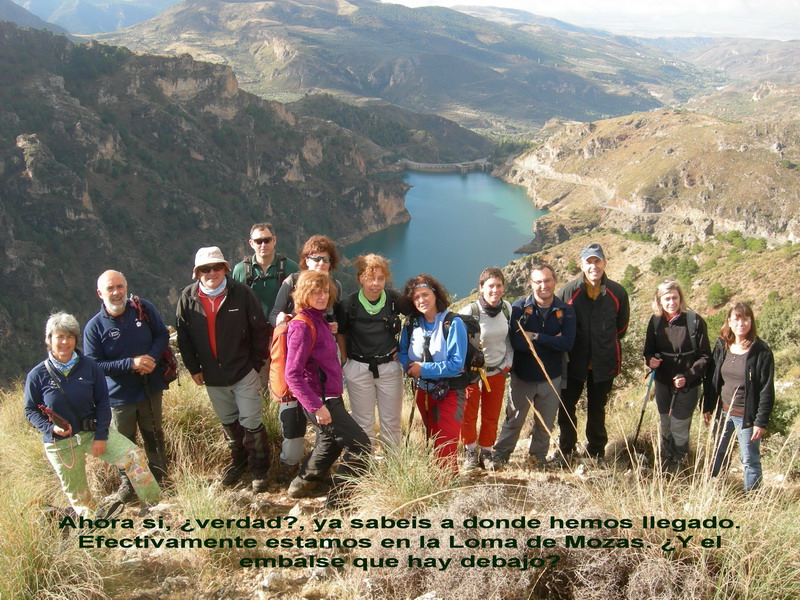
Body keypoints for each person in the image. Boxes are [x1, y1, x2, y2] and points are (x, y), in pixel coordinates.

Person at [24, 312, 161, 517]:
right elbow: (30, 409)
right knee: (79, 493)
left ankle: (154, 506)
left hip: (91, 432)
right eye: (59, 337)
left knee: (133, 456)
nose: (65, 342)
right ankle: (95, 524)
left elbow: (103, 402)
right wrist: (50, 428)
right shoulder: (37, 375)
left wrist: (100, 436)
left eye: (70, 337)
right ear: (49, 340)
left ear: (76, 339)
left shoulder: (90, 367)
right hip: (60, 442)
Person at [175, 246, 271, 492]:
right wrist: (194, 368)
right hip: (212, 375)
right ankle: (238, 463)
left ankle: (259, 470)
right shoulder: (188, 297)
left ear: (225, 268)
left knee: (251, 421)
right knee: (228, 422)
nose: (212, 273)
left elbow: (260, 330)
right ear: (197, 272)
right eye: (205, 269)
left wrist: (255, 364)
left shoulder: (241, 293)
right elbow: (184, 337)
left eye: (217, 267)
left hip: (243, 371)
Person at [284, 270, 371, 507]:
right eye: (315, 292)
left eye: (325, 291)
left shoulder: (319, 320)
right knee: (360, 446)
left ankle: (302, 485)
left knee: (329, 444)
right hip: (320, 400)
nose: (322, 296)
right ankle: (338, 501)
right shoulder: (301, 326)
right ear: (304, 294)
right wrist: (317, 407)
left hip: (330, 396)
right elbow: (292, 375)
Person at [84, 270, 171, 503]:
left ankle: (161, 477)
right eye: (110, 288)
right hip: (119, 397)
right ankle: (129, 484)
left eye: (120, 287)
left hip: (150, 388)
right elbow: (94, 365)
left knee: (154, 435)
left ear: (126, 287)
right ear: (100, 294)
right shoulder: (94, 327)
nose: (116, 292)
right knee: (124, 442)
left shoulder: (144, 309)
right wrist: (131, 364)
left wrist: (151, 359)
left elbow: (162, 335)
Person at [269, 235, 344, 484]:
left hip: (321, 366)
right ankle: (289, 465)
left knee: (326, 421)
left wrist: (334, 326)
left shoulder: (334, 285)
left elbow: (336, 318)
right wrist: (283, 322)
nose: (321, 263)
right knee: (292, 416)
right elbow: (274, 313)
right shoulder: (292, 281)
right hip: (295, 359)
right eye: (316, 258)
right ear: (306, 260)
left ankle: (316, 471)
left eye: (326, 259)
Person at [492, 262, 576, 469]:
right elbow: (518, 342)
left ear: (555, 281)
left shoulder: (566, 310)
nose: (543, 286)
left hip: (552, 377)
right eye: (538, 282)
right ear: (531, 284)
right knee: (514, 419)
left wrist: (536, 336)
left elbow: (567, 343)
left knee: (546, 423)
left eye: (547, 280)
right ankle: (501, 454)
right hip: (523, 376)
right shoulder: (520, 308)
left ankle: (537, 458)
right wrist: (552, 341)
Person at [556, 243, 629, 461]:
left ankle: (596, 451)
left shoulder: (617, 292)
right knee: (566, 406)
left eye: (597, 261)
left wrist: (601, 343)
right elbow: (557, 324)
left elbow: (622, 327)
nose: (593, 266)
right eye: (589, 262)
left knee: (597, 408)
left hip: (604, 361)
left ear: (604, 263)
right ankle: (567, 449)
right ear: (581, 265)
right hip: (573, 361)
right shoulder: (568, 292)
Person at [336, 254, 408, 448]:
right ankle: (364, 463)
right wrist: (345, 361)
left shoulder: (393, 299)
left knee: (392, 423)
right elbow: (340, 332)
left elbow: (415, 317)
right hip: (358, 367)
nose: (375, 283)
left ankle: (393, 463)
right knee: (363, 423)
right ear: (360, 278)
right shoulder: (348, 304)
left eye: (380, 278)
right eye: (370, 278)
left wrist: (403, 351)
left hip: (389, 367)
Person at [398, 274, 468, 473]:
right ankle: (448, 479)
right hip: (422, 391)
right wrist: (409, 366)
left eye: (425, 294)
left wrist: (423, 369)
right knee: (435, 438)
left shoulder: (453, 323)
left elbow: (456, 364)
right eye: (416, 297)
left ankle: (444, 483)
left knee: (445, 443)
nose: (421, 300)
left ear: (435, 294)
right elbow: (402, 352)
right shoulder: (412, 324)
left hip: (450, 392)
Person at [703, 302, 774, 491]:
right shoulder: (722, 346)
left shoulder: (761, 351)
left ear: (751, 321)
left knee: (749, 459)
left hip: (747, 417)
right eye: (736, 319)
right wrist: (707, 405)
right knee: (718, 453)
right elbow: (712, 378)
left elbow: (766, 390)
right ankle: (712, 490)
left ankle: (752, 498)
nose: (741, 323)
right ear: (729, 321)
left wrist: (761, 421)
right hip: (723, 412)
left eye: (745, 319)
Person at [643, 278, 711, 472]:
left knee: (679, 425)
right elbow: (648, 350)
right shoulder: (656, 322)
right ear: (659, 301)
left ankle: (680, 462)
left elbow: (705, 357)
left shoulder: (694, 321)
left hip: (688, 384)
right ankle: (667, 458)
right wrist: (650, 360)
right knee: (665, 422)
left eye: (675, 298)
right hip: (663, 382)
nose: (671, 302)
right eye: (667, 299)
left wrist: (687, 376)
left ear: (681, 298)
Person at [458, 267, 513, 470]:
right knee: (468, 414)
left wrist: (507, 363)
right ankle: (470, 451)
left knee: (492, 414)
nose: (495, 290)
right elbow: (457, 342)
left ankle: (487, 451)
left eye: (499, 286)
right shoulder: (469, 312)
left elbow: (509, 339)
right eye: (490, 286)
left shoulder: (507, 308)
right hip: (473, 373)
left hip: (497, 371)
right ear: (481, 287)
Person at [231, 222, 300, 336]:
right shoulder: (240, 270)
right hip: (252, 335)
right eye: (258, 241)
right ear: (251, 243)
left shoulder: (291, 268)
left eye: (267, 240)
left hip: (283, 333)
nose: (263, 245)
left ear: (274, 240)